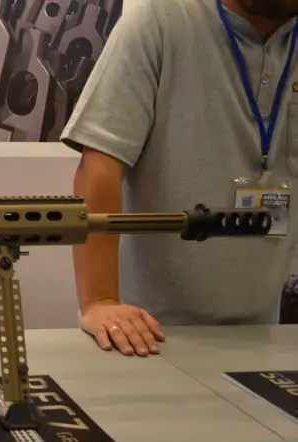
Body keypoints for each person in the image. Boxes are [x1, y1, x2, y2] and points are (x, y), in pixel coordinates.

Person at [60, 0, 298, 357]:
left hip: (263, 337)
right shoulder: (160, 20)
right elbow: (101, 165)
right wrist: (100, 301)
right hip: (144, 337)